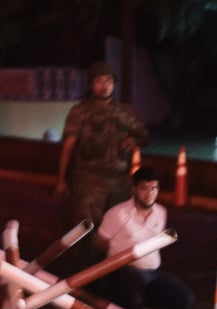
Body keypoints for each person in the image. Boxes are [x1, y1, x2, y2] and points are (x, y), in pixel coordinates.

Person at [54, 61, 149, 227]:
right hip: (89, 180)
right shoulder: (80, 111)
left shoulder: (125, 111)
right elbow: (68, 146)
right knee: (85, 229)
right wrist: (61, 180)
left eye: (109, 80)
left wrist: (134, 139)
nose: (104, 85)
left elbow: (145, 137)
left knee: (119, 228)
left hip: (120, 180)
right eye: (99, 81)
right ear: (91, 85)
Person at [94, 167, 194, 309]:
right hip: (124, 271)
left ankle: (140, 298)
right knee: (132, 297)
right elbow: (100, 243)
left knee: (185, 300)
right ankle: (124, 295)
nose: (150, 194)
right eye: (144, 188)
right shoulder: (117, 213)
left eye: (154, 188)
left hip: (152, 272)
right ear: (134, 189)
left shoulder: (161, 212)